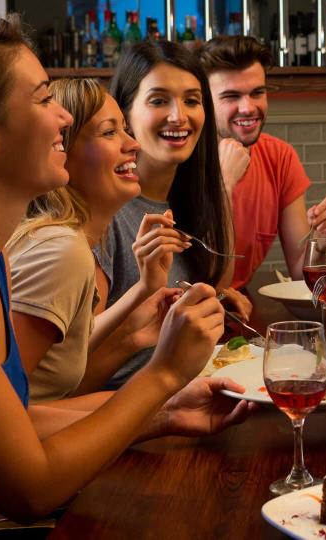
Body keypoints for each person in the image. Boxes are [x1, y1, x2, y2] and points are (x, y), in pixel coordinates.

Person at [0, 19, 249, 537]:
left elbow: (16, 426)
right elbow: (28, 490)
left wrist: (167, 411)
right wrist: (162, 374)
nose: (64, 117)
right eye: (44, 100)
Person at [7, 78, 191, 400]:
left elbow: (62, 373)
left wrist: (143, 293)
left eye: (125, 129)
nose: (133, 145)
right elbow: (5, 409)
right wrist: (162, 398)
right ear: (60, 149)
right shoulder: (61, 250)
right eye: (109, 132)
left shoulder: (80, 240)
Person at [97, 41, 244, 389]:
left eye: (192, 100)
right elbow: (68, 372)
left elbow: (217, 280)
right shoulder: (107, 212)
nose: (179, 116)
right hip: (131, 414)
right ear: (125, 116)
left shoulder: (185, 197)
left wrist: (223, 189)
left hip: (188, 393)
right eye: (159, 100)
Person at [199, 35, 326, 289]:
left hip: (238, 308)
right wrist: (225, 183)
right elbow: (193, 278)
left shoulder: (280, 158)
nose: (248, 108)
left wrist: (321, 240)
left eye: (257, 92)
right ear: (203, 101)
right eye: (231, 96)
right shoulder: (182, 162)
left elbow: (301, 272)